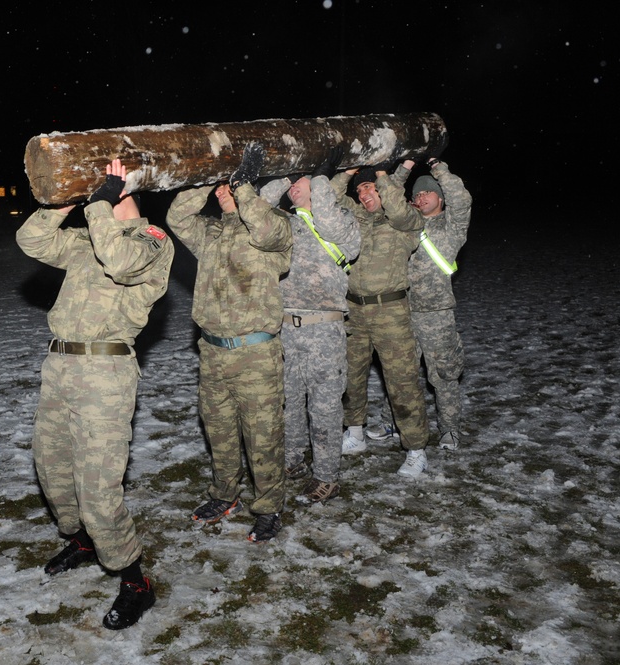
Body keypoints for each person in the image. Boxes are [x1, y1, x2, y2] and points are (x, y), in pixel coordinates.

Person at [16, 159, 174, 630]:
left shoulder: (153, 242)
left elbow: (121, 263)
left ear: (128, 197)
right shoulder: (90, 239)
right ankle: (84, 540)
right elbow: (31, 240)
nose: (99, 200)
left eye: (110, 192)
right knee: (52, 465)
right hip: (60, 366)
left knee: (98, 487)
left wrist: (103, 203)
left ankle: (134, 580)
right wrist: (63, 205)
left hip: (105, 372)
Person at [165, 143, 292, 543]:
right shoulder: (211, 233)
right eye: (221, 187)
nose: (224, 190)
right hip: (212, 351)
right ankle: (224, 495)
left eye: (228, 186)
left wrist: (245, 190)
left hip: (256, 353)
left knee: (263, 436)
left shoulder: (275, 227)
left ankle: (269, 506)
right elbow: (176, 216)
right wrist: (203, 181)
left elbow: (267, 229)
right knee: (218, 430)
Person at [257, 149, 361, 504]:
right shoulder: (287, 224)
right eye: (293, 184)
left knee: (325, 405)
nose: (293, 189)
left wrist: (318, 177)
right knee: (289, 400)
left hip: (323, 330)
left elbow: (327, 217)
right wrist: (286, 177)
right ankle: (292, 458)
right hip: (286, 326)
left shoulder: (343, 222)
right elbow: (257, 209)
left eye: (300, 182)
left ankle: (327, 476)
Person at [329, 162, 431, 477]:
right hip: (354, 311)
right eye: (360, 190)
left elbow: (398, 209)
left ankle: (416, 449)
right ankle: (355, 433)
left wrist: (384, 177)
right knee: (351, 376)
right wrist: (347, 174)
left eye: (368, 187)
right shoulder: (356, 217)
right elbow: (328, 201)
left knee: (402, 381)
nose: (364, 194)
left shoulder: (406, 219)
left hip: (392, 311)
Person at [368, 157, 472, 450]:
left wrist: (438, 167)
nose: (421, 197)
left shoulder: (452, 224)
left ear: (440, 197)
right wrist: (404, 169)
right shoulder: (404, 224)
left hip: (437, 315)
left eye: (427, 192)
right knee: (401, 375)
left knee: (444, 375)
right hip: (400, 311)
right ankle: (394, 423)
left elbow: (461, 198)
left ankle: (450, 430)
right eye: (417, 194)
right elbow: (385, 195)